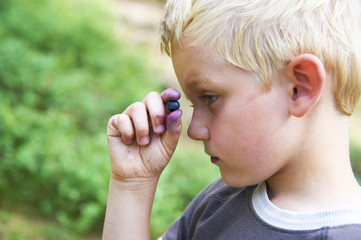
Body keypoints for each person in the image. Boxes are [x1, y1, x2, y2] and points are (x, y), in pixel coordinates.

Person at [102, 0, 361, 239]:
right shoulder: (218, 202)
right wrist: (132, 185)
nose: (194, 130)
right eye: (193, 103)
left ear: (300, 87)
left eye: (210, 97)